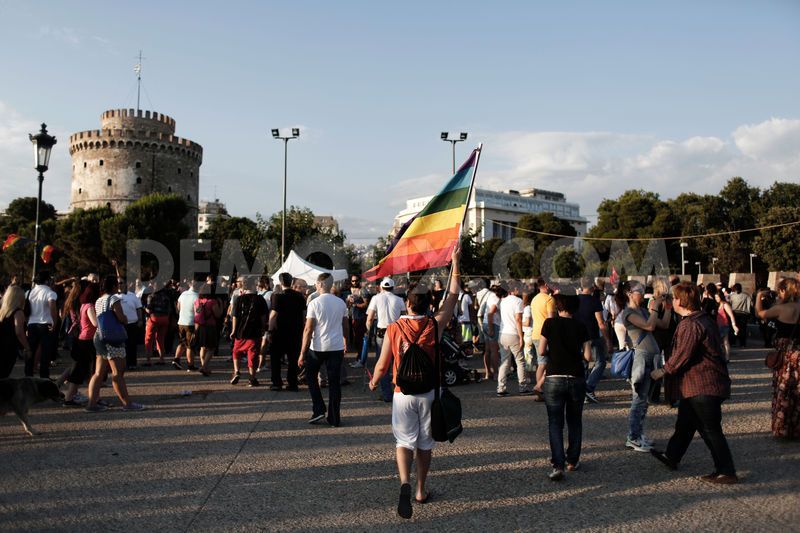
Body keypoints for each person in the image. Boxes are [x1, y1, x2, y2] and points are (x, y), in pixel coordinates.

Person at [369, 247, 461, 520]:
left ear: (407, 303)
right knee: (425, 443)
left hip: (402, 393)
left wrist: (374, 381)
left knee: (403, 441)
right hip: (429, 394)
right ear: (427, 305)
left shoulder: (394, 328)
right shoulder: (435, 324)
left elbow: (383, 365)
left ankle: (404, 483)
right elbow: (453, 296)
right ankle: (421, 488)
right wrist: (455, 264)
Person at [650, 282, 738, 484]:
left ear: (680, 301)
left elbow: (682, 355)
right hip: (699, 384)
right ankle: (672, 456)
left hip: (702, 384)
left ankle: (726, 470)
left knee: (710, 429)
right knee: (685, 423)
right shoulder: (703, 319)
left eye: (673, 297)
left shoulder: (691, 324)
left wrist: (662, 371)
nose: (672, 301)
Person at [538, 294, 592, 480]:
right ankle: (572, 460)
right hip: (576, 376)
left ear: (558, 306)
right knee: (575, 420)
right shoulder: (581, 326)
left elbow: (541, 350)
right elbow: (588, 356)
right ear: (575, 308)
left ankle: (558, 463)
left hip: (554, 376)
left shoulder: (549, 324)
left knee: (555, 422)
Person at [615, 280, 669, 452]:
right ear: (630, 293)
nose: (643, 294)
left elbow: (664, 325)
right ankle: (633, 437)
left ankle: (638, 433)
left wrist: (666, 307)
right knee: (638, 399)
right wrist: (655, 306)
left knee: (645, 400)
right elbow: (650, 326)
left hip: (652, 358)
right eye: (640, 291)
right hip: (642, 358)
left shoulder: (643, 310)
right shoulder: (628, 313)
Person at [85, 276, 144, 412]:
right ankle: (127, 403)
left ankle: (91, 404)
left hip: (100, 336)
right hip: (113, 339)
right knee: (118, 373)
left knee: (98, 373)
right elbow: (121, 317)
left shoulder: (99, 300)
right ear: (113, 286)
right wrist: (126, 319)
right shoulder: (113, 299)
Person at [300, 273, 349, 427]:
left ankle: (319, 407)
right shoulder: (341, 303)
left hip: (318, 347)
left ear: (320, 284)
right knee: (334, 382)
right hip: (336, 346)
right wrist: (345, 341)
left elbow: (308, 329)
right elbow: (346, 326)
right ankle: (334, 418)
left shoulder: (314, 303)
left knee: (310, 376)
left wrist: (302, 352)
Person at [755, 278, 800, 440]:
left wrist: (759, 296)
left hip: (785, 356)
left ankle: (783, 428)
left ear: (783, 291)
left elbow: (760, 314)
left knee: (785, 390)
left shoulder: (781, 309)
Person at [360, 277, 405, 402]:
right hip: (396, 331)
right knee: (398, 360)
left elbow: (369, 319)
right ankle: (399, 390)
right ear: (393, 287)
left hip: (382, 332)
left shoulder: (376, 298)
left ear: (381, 287)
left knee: (382, 361)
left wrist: (368, 332)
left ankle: (387, 394)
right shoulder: (399, 299)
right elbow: (404, 316)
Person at [576, 277, 612, 404]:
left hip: (578, 336)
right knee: (601, 362)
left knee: (583, 364)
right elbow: (601, 323)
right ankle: (589, 387)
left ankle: (582, 392)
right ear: (592, 287)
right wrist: (607, 339)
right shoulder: (594, 301)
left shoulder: (574, 300)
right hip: (592, 336)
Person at [268, 273, 306, 391]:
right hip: (295, 331)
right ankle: (292, 383)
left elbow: (274, 315)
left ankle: (277, 382)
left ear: (280, 283)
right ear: (292, 282)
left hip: (279, 331)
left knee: (276, 358)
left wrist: (269, 331)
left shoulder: (277, 296)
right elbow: (304, 314)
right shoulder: (299, 296)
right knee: (293, 359)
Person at [230, 276, 269, 387]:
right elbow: (263, 316)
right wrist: (263, 328)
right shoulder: (260, 299)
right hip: (254, 331)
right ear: (254, 285)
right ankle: (252, 378)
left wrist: (233, 330)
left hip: (240, 331)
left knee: (236, 351)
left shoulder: (239, 299)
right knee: (252, 354)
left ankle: (237, 370)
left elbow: (235, 316)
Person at [497, 281, 531, 396]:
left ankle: (501, 388)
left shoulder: (503, 301)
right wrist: (521, 337)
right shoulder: (518, 301)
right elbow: (518, 319)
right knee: (520, 361)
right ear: (515, 289)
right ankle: (523, 386)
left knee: (504, 362)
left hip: (502, 333)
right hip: (513, 334)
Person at [26, 271, 59, 378]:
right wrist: (55, 322)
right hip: (46, 324)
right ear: (47, 280)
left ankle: (28, 376)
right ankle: (44, 378)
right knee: (45, 353)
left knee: (31, 350)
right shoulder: (50, 292)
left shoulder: (31, 292)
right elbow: (52, 308)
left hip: (32, 324)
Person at [531, 278, 556, 398]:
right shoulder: (549, 299)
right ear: (546, 285)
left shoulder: (534, 299)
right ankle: (540, 387)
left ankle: (539, 391)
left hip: (535, 332)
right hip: (546, 334)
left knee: (540, 363)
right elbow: (551, 320)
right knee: (548, 363)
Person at [0, 285, 32, 378]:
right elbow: (19, 332)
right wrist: (27, 348)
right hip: (8, 348)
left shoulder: (2, 311)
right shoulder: (18, 312)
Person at [194, 283, 222, 377]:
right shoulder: (212, 302)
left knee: (203, 347)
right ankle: (204, 366)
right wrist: (221, 305)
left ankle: (205, 368)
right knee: (211, 348)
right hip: (210, 327)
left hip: (200, 326)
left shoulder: (197, 301)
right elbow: (218, 315)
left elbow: (196, 315)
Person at [143, 280, 172, 366]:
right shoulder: (166, 296)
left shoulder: (151, 296)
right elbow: (169, 309)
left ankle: (148, 361)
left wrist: (144, 307)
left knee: (148, 339)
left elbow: (148, 309)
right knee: (160, 339)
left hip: (154, 318)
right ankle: (161, 359)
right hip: (165, 319)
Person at [117, 277, 143, 370]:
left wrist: (140, 320)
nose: (119, 284)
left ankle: (132, 364)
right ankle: (122, 365)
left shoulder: (133, 296)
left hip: (132, 324)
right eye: (118, 283)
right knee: (121, 346)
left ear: (125, 284)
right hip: (119, 325)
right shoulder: (114, 296)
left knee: (132, 345)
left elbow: (139, 308)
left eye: (121, 282)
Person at [175, 278, 200, 370]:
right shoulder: (197, 296)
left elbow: (178, 308)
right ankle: (190, 365)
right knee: (190, 345)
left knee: (182, 342)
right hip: (191, 323)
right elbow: (198, 311)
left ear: (189, 285)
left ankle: (176, 359)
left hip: (181, 322)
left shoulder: (182, 294)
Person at [481, 285, 503, 381]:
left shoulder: (490, 296)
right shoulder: (496, 299)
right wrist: (491, 329)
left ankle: (488, 373)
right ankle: (496, 374)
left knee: (488, 350)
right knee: (494, 350)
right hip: (492, 324)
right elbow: (490, 313)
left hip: (486, 323)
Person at [714, 289, 739, 362]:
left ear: (721, 296)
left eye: (717, 297)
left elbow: (731, 315)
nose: (716, 299)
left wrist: (734, 325)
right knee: (722, 342)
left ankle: (727, 357)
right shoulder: (718, 305)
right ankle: (725, 356)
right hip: (719, 325)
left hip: (725, 325)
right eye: (715, 297)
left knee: (725, 342)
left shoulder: (725, 304)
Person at [346, 275, 368, 353]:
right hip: (350, 315)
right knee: (350, 333)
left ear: (359, 281)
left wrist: (356, 305)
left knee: (358, 335)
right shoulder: (348, 290)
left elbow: (366, 304)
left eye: (356, 280)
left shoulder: (362, 290)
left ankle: (360, 352)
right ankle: (353, 348)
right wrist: (348, 303)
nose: (354, 282)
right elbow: (347, 304)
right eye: (353, 281)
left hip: (359, 316)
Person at [729, 284, 752, 348]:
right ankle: (742, 344)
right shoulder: (746, 295)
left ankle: (732, 342)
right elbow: (750, 304)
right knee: (743, 329)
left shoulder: (732, 296)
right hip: (744, 314)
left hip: (734, 313)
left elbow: (730, 304)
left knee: (733, 328)